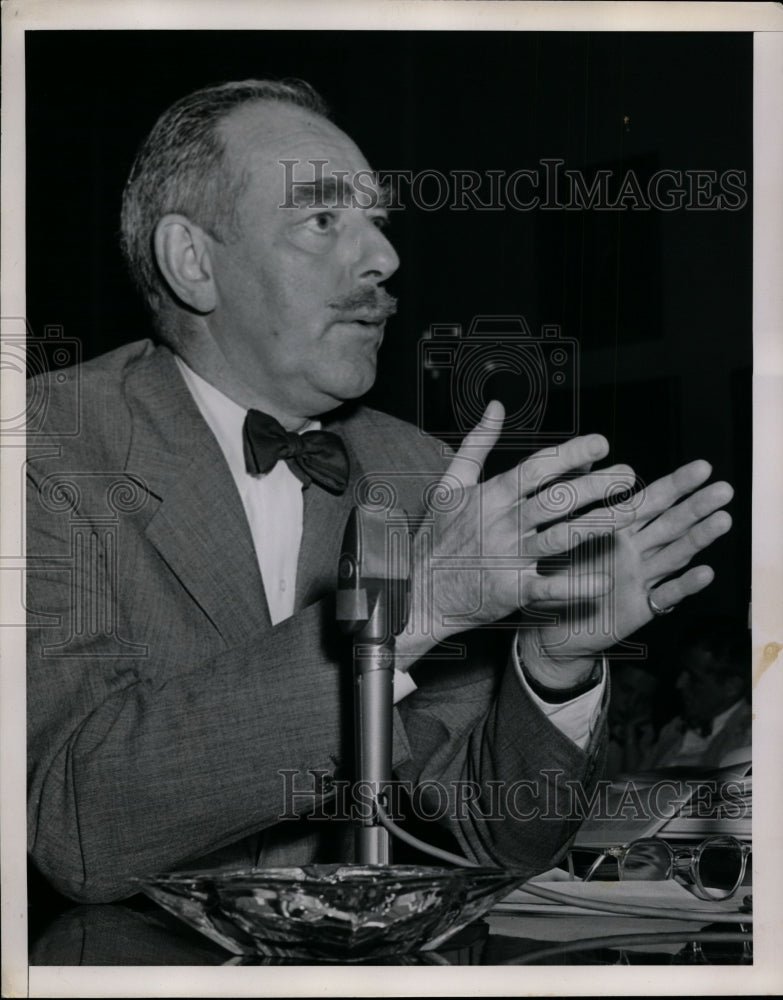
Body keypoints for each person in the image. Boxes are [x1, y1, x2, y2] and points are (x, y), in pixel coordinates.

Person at [26, 79, 734, 904]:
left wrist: (554, 664)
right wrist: (410, 612)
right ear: (193, 263)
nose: (385, 260)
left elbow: (491, 838)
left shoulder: (421, 473)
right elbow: (72, 827)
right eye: (323, 219)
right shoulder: (45, 447)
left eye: (378, 222)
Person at [637, 616, 751, 770]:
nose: (679, 684)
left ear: (732, 686)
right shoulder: (673, 728)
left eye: (694, 678)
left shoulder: (752, 739)